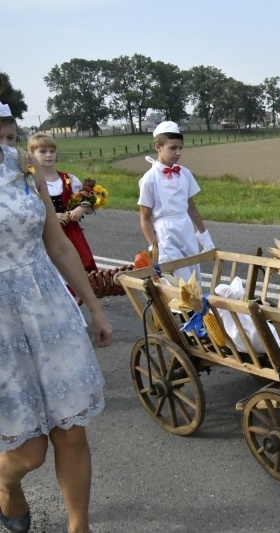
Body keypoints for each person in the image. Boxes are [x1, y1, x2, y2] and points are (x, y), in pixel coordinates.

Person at [0, 110, 113, 533]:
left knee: (71, 431)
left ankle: (78, 526)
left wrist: (95, 309)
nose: (4, 144)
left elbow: (58, 243)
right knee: (29, 452)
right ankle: (7, 484)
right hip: (3, 326)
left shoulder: (21, 169)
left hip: (49, 307)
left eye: (6, 135)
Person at [138, 121, 214, 283]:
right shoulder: (149, 179)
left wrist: (205, 237)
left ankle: (197, 308)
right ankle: (180, 309)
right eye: (173, 148)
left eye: (180, 148)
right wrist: (154, 247)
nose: (178, 153)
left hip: (185, 228)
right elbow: (145, 218)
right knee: (179, 280)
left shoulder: (185, 174)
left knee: (194, 277)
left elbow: (191, 208)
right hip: (166, 233)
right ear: (158, 146)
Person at [28, 133, 98, 274]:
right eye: (43, 151)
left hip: (72, 235)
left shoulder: (68, 179)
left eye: (52, 151)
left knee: (79, 272)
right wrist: (52, 216)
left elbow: (92, 204)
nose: (49, 155)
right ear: (31, 154)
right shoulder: (29, 181)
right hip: (45, 236)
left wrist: (81, 208)